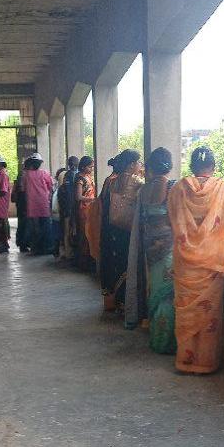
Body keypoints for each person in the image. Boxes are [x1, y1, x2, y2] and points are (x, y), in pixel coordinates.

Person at [168, 146, 224, 372]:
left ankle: (185, 362)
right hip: (213, 264)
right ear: (214, 166)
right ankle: (204, 363)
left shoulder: (178, 189)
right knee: (209, 316)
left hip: (185, 264)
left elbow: (171, 219)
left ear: (192, 165)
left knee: (185, 312)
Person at [125, 147, 178, 354]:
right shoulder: (174, 187)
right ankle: (168, 341)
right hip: (170, 248)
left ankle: (157, 338)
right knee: (169, 294)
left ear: (151, 167)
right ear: (169, 165)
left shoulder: (144, 190)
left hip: (150, 249)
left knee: (155, 290)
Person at [95, 150, 144, 312]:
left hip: (112, 229)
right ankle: (124, 302)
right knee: (128, 264)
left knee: (116, 263)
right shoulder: (137, 181)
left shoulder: (112, 181)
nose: (140, 165)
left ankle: (113, 301)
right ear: (131, 164)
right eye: (138, 162)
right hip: (129, 230)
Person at [20, 153, 55, 254]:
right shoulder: (44, 173)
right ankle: (46, 248)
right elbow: (51, 187)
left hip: (31, 206)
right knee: (46, 226)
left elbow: (23, 189)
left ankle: (35, 248)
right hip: (44, 204)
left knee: (34, 228)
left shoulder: (26, 175)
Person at [73, 156, 97, 272]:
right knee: (84, 235)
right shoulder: (80, 178)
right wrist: (92, 199)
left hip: (90, 209)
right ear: (83, 166)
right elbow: (78, 197)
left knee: (90, 235)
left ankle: (89, 259)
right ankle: (83, 262)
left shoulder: (88, 177)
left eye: (92, 167)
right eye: (89, 167)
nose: (91, 169)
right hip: (83, 210)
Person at [57, 156, 80, 260]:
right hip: (72, 207)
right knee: (70, 230)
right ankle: (69, 252)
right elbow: (71, 194)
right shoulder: (74, 175)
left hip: (67, 207)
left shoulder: (67, 175)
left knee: (68, 230)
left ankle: (68, 252)